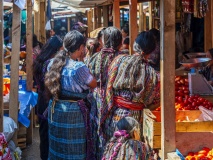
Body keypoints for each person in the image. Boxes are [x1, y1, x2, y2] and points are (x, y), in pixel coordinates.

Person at [45, 30, 97, 160]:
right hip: (73, 113)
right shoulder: (78, 67)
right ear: (80, 47)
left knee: (58, 144)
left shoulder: (52, 63)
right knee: (74, 148)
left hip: (56, 108)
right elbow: (94, 84)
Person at [101, 31, 160, 143]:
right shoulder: (152, 74)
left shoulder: (118, 60)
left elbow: (109, 83)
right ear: (151, 51)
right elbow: (150, 101)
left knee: (112, 149)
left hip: (113, 115)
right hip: (134, 120)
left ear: (134, 45)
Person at [88, 26, 124, 158]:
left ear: (103, 41)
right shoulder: (124, 59)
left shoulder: (93, 58)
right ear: (120, 42)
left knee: (98, 131)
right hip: (117, 100)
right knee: (115, 133)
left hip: (97, 98)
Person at [33, 35, 63, 160]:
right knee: (51, 135)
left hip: (41, 100)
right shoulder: (50, 64)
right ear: (55, 50)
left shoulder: (39, 61)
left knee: (44, 134)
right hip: (48, 101)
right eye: (61, 49)